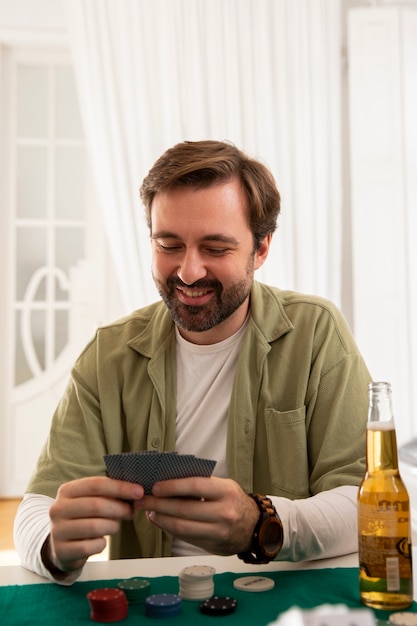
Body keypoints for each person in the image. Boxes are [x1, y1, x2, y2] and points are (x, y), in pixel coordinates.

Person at [14, 140, 371, 585]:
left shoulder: (317, 334)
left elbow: (368, 501)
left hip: (280, 598)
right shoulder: (107, 355)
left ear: (260, 249)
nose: (187, 271)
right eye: (169, 244)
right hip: (150, 603)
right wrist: (52, 545)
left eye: (215, 248)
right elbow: (34, 508)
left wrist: (259, 523)